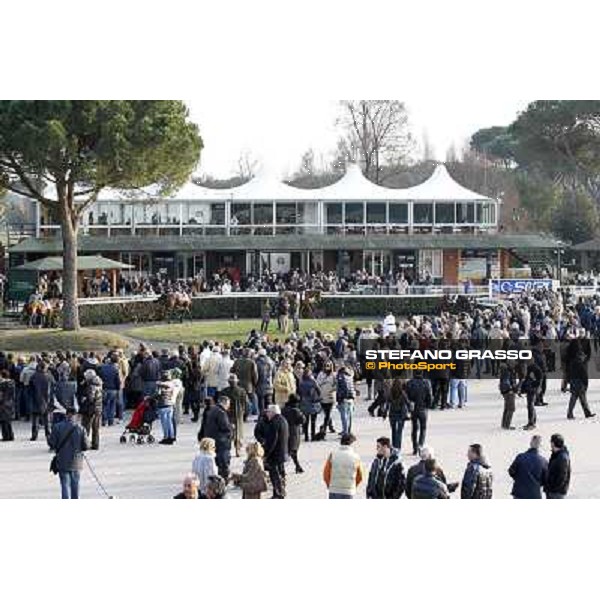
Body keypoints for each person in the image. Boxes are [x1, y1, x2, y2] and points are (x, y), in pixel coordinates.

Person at [48, 407, 90, 499]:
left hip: (62, 461)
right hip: (76, 462)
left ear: (66, 415)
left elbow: (52, 443)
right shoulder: (81, 428)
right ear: (76, 416)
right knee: (75, 486)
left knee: (64, 485)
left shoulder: (57, 427)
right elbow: (86, 446)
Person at [323, 432, 364, 499]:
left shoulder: (333, 455)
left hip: (334, 489)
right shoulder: (356, 457)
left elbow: (326, 473)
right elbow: (360, 476)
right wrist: (353, 486)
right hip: (349, 491)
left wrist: (329, 485)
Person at [261, 404, 289, 499]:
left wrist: (266, 454)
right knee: (280, 474)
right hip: (282, 452)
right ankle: (280, 492)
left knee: (275, 475)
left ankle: (278, 494)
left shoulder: (274, 423)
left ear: (273, 412)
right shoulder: (283, 420)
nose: (267, 414)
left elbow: (272, 441)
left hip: (275, 454)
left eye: (268, 412)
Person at [202, 396, 233, 481]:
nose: (229, 407)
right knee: (223, 463)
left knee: (216, 462)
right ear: (224, 403)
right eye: (228, 404)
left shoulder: (212, 410)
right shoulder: (221, 413)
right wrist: (231, 430)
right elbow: (225, 427)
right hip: (221, 441)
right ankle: (224, 480)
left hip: (212, 439)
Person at [508, 435, 549, 499]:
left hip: (519, 492)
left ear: (530, 443)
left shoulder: (520, 457)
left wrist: (519, 479)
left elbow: (511, 471)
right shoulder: (543, 461)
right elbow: (546, 479)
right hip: (535, 493)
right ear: (540, 446)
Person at [219, 373, 248, 456]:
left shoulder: (224, 391)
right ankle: (237, 449)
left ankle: (228, 449)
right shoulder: (241, 391)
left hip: (227, 414)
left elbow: (220, 402)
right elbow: (245, 403)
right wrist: (245, 413)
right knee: (238, 433)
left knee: (227, 432)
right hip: (238, 414)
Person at [406, 370, 432, 455]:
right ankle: (420, 446)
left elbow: (406, 396)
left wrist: (409, 405)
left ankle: (415, 447)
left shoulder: (409, 383)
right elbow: (429, 396)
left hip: (414, 408)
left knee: (414, 428)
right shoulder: (426, 383)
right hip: (423, 408)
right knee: (423, 428)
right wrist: (428, 405)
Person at [282, 394, 306, 473]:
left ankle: (297, 466)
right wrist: (301, 413)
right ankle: (295, 467)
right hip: (294, 433)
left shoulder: (283, 409)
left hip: (285, 432)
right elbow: (303, 420)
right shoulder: (295, 410)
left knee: (288, 451)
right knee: (292, 451)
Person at [79, 368, 103, 450]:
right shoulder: (99, 383)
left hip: (90, 409)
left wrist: (84, 398)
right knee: (96, 428)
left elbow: (90, 398)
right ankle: (95, 444)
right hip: (98, 408)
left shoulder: (91, 386)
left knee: (86, 427)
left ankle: (84, 444)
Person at [30, 361, 53, 441]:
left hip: (35, 399)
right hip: (46, 399)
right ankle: (48, 434)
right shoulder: (49, 376)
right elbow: (53, 388)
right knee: (47, 419)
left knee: (35, 419)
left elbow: (30, 389)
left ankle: (34, 435)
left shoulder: (33, 376)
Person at [544, 434, 571, 499]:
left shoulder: (562, 457)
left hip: (556, 493)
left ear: (553, 443)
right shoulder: (557, 454)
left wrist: (552, 488)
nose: (550, 444)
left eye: (551, 442)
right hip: (553, 491)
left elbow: (562, 477)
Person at [298, 367, 321, 442]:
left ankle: (306, 437)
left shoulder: (301, 383)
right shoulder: (313, 382)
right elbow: (319, 391)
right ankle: (313, 435)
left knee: (306, 421)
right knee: (313, 421)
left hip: (304, 403)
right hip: (313, 403)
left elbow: (299, 393)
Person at [99, 353, 121, 427]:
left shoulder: (103, 367)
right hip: (113, 389)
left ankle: (104, 420)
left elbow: (100, 377)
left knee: (104, 405)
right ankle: (110, 421)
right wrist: (118, 389)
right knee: (112, 405)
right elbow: (117, 381)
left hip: (104, 388)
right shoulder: (115, 369)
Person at [388, 378, 410, 451]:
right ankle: (398, 447)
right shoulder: (403, 394)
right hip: (401, 414)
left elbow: (387, 403)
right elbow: (408, 403)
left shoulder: (390, 393)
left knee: (393, 431)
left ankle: (394, 446)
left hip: (392, 414)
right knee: (399, 431)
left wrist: (384, 412)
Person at [315, 360, 336, 438]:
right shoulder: (321, 374)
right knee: (326, 413)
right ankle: (329, 426)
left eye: (329, 365)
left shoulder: (334, 375)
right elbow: (317, 383)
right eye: (326, 365)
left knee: (328, 413)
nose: (327, 367)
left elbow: (336, 384)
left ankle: (324, 428)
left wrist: (333, 389)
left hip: (330, 396)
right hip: (322, 396)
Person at [155, 371, 177, 445]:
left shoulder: (160, 385)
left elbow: (158, 394)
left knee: (164, 423)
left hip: (162, 405)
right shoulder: (172, 384)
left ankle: (166, 437)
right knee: (169, 422)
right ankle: (171, 437)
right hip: (170, 405)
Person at [498, 359, 519, 430]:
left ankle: (504, 424)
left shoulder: (506, 370)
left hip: (505, 391)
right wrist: (510, 389)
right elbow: (506, 381)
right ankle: (507, 425)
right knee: (511, 408)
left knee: (507, 407)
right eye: (514, 363)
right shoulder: (507, 371)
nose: (515, 364)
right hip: (508, 391)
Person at [336, 364, 356, 435]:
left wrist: (341, 398)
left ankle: (345, 431)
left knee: (344, 416)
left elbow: (343, 388)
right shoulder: (349, 376)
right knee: (349, 416)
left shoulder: (341, 377)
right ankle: (348, 430)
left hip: (344, 398)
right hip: (351, 398)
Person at [0, 370, 16, 441]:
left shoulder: (2, 385)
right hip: (10, 403)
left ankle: (6, 436)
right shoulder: (12, 383)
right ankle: (11, 435)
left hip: (3, 403)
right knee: (8, 421)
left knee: (3, 421)